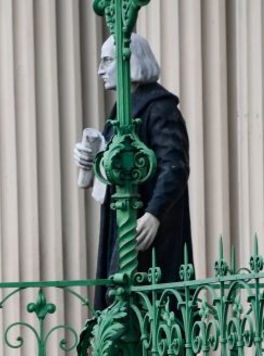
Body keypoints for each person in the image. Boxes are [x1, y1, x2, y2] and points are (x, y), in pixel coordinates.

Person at [73, 33, 193, 311]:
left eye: (107, 60)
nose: (100, 69)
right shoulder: (121, 112)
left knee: (146, 307)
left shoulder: (159, 108)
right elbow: (114, 170)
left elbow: (174, 167)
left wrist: (154, 214)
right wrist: (90, 162)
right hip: (122, 223)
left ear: (130, 61)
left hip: (146, 227)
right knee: (119, 302)